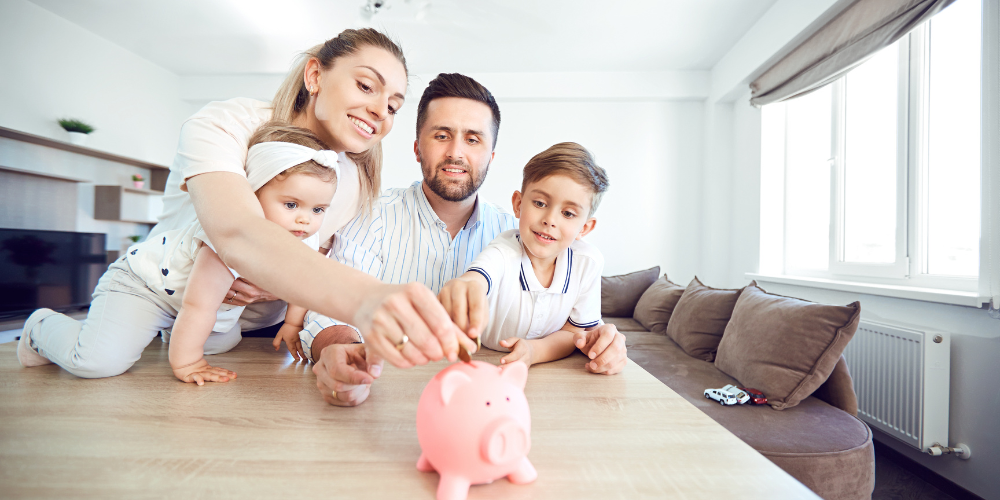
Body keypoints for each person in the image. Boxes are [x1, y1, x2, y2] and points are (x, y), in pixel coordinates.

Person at [94, 30, 467, 383]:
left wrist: (281, 293)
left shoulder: (352, 178)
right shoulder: (224, 125)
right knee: (104, 360)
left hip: (251, 333)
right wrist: (366, 298)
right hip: (169, 299)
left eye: (393, 106)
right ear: (315, 75)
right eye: (366, 86)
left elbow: (314, 260)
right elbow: (236, 232)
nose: (380, 111)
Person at [17, 124, 338, 382]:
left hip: (189, 302)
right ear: (251, 195)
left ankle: (170, 332)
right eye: (291, 204)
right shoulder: (228, 235)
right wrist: (187, 363)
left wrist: (294, 323)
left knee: (222, 342)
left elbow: (304, 282)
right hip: (144, 287)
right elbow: (198, 305)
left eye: (318, 209)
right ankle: (40, 326)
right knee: (97, 363)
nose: (305, 219)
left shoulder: (302, 236)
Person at [303, 73, 515, 405]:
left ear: (492, 156)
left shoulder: (514, 233)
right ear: (417, 148)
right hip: (386, 403)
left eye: (473, 139)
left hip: (484, 404)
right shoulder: (372, 216)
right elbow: (329, 309)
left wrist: (597, 337)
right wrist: (341, 350)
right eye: (442, 135)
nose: (456, 152)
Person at [439, 142, 627, 375]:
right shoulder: (504, 251)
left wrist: (534, 351)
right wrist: (463, 285)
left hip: (548, 373)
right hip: (485, 366)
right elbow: (476, 278)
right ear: (518, 204)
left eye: (568, 213)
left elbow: (574, 333)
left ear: (585, 228)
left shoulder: (587, 263)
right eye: (540, 203)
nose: (550, 219)